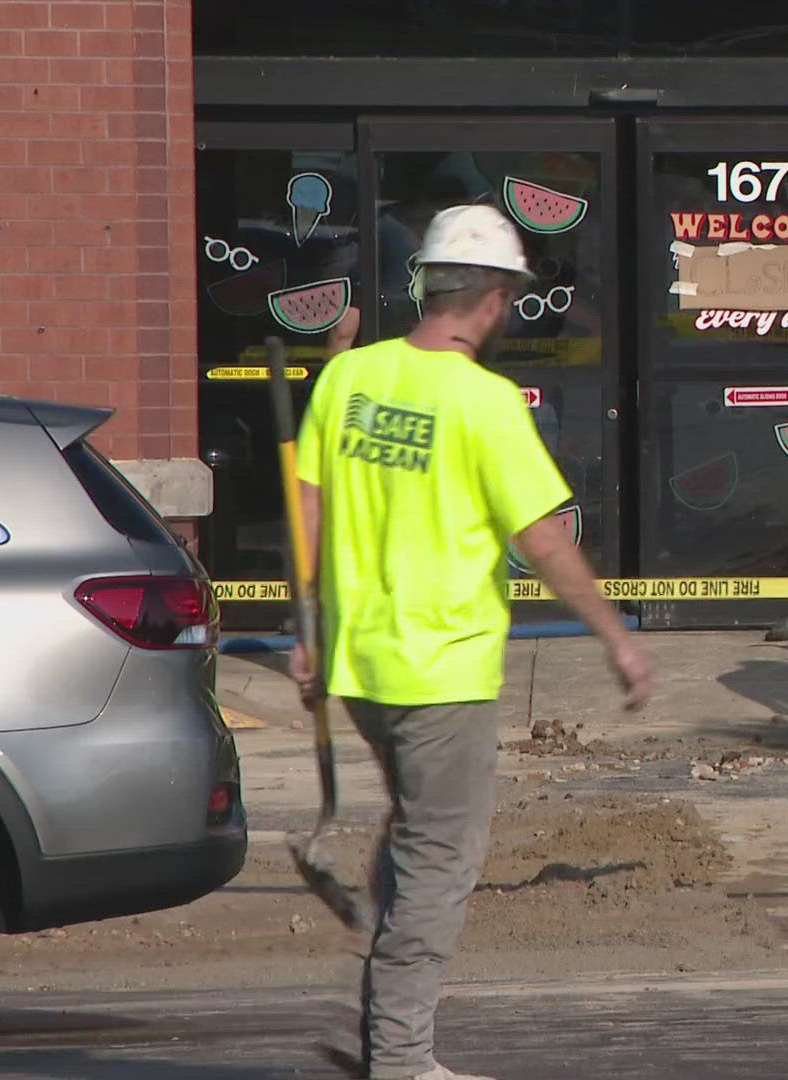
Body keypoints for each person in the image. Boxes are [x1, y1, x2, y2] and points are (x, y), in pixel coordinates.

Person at [289, 204, 652, 1080]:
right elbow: (544, 538)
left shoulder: (350, 378)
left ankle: (383, 1021)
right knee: (440, 863)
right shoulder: (484, 404)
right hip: (440, 673)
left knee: (413, 837)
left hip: (362, 667)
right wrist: (615, 638)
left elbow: (307, 499)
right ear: (490, 296)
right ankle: (401, 1059)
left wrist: (306, 628)